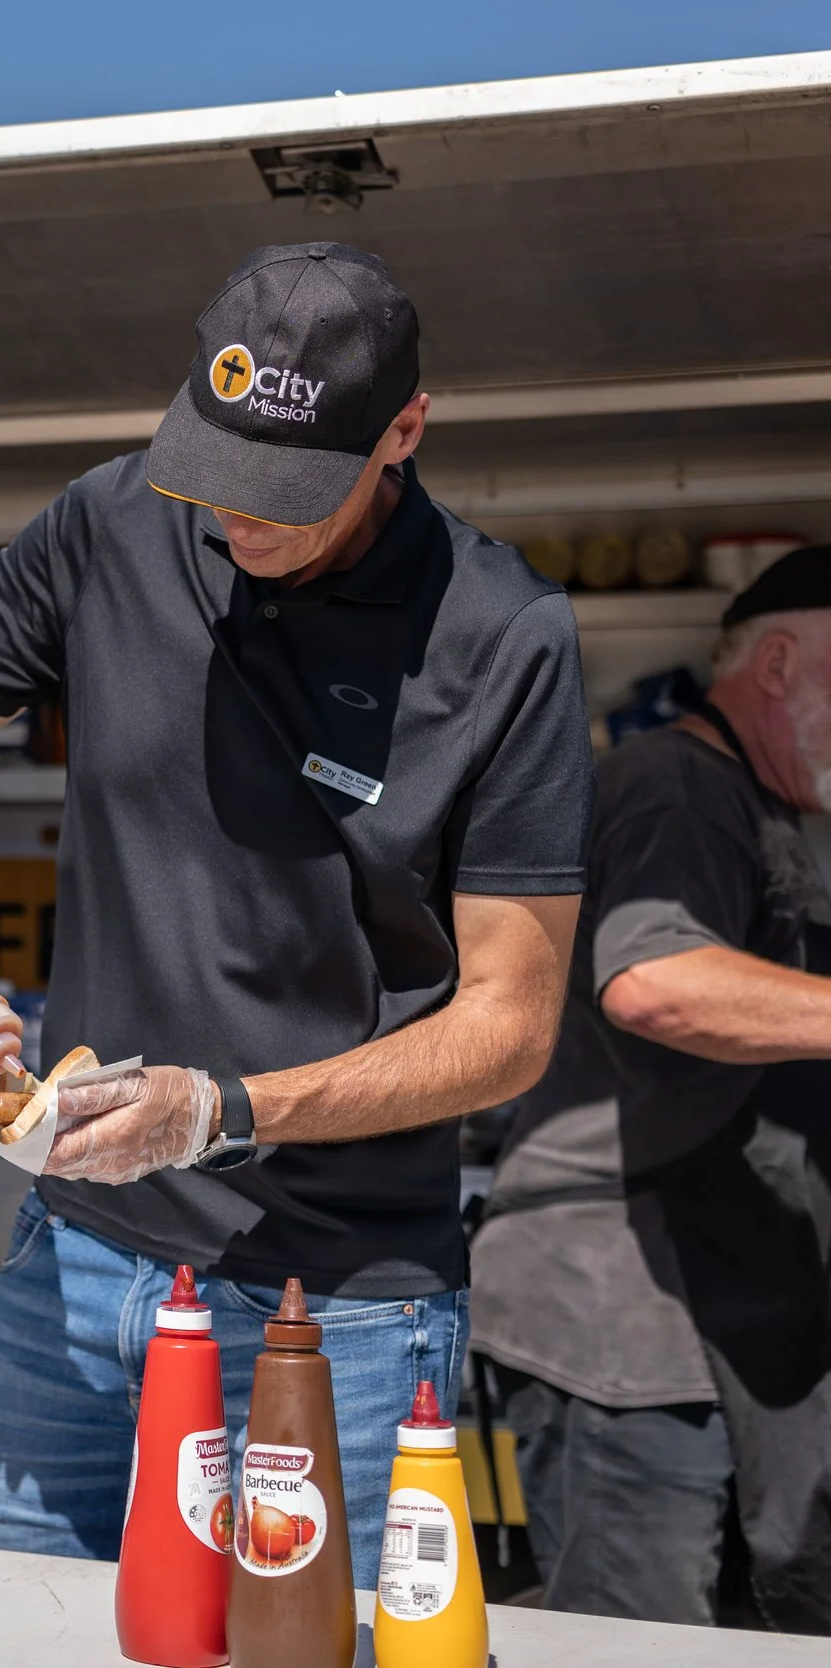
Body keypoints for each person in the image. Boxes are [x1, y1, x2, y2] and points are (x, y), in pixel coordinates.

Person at [0, 242, 592, 1585]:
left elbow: (512, 1029)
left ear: (404, 430)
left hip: (329, 1313)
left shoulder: (504, 636)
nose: (238, 519)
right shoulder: (109, 523)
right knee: (7, 1633)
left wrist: (223, 1111)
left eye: (282, 491)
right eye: (213, 469)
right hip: (72, 1263)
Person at [472, 549, 831, 1632]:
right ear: (780, 663)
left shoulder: (765, 814)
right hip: (620, 1332)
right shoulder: (670, 784)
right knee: (638, 1649)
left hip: (722, 1321)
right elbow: (654, 983)